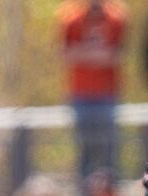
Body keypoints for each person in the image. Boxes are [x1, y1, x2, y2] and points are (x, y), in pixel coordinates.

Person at [58, 0, 126, 180]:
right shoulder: (71, 18)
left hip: (107, 95)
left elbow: (116, 55)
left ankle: (110, 191)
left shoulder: (115, 18)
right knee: (84, 150)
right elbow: (66, 54)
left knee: (109, 151)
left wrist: (83, 54)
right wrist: (98, 55)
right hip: (80, 95)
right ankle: (85, 193)